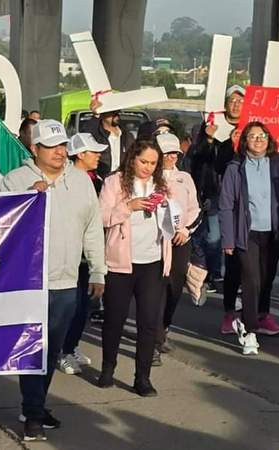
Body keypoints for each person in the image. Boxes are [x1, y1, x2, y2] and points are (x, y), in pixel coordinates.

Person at [0, 120, 106, 442]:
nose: (60, 152)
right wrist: (24, 198)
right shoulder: (15, 180)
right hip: (29, 282)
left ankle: (35, 404)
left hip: (67, 282)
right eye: (51, 146)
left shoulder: (81, 181)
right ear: (35, 149)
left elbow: (92, 227)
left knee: (51, 351)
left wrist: (98, 270)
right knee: (32, 348)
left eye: (62, 145)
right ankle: (33, 414)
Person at [98, 139, 172, 397]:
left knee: (149, 322)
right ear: (132, 159)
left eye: (153, 163)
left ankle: (143, 378)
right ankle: (108, 368)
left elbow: (174, 219)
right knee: (114, 319)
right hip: (121, 262)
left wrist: (171, 215)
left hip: (152, 261)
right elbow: (102, 217)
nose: (148, 167)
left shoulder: (162, 185)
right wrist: (128, 206)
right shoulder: (114, 182)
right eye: (143, 162)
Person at [219, 121, 279, 355]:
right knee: (251, 281)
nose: (258, 140)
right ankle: (249, 331)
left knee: (266, 280)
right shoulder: (235, 168)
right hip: (247, 234)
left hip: (272, 233)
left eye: (262, 136)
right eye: (253, 136)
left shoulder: (278, 164)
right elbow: (226, 205)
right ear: (244, 141)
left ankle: (258, 318)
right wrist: (228, 239)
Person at [56, 132, 107, 375]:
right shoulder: (65, 179)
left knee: (83, 306)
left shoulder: (95, 179)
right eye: (94, 152)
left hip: (87, 254)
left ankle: (71, 346)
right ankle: (61, 351)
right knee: (69, 307)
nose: (98, 156)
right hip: (67, 255)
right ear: (80, 154)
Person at [188, 85, 244, 293]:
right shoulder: (209, 126)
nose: (236, 105)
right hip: (214, 190)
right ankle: (214, 273)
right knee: (214, 237)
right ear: (225, 104)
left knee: (238, 236)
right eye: (232, 101)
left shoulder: (250, 129)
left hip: (240, 191)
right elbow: (197, 157)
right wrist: (209, 139)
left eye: (240, 101)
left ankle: (233, 276)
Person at [153, 133, 201, 364]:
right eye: (166, 153)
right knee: (156, 289)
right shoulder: (149, 177)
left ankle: (164, 326)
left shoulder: (185, 178)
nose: (171, 157)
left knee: (175, 287)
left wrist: (186, 230)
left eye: (174, 153)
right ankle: (153, 340)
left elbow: (195, 208)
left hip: (180, 240)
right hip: (155, 240)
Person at [81, 106, 134, 178]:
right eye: (112, 112)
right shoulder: (97, 135)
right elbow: (85, 135)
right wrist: (96, 115)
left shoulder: (127, 136)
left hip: (122, 179)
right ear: (102, 114)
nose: (116, 114)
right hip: (102, 179)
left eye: (117, 111)